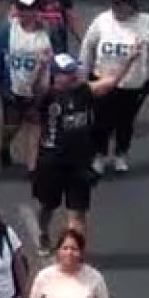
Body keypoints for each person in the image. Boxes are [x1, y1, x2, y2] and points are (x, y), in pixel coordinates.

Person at [31, 54, 121, 249]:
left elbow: (111, 82)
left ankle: (75, 250)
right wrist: (41, 67)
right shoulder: (48, 96)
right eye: (68, 72)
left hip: (79, 163)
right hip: (52, 162)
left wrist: (130, 59)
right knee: (48, 206)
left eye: (73, 71)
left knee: (77, 212)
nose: (73, 75)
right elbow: (35, 90)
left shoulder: (83, 91)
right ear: (57, 75)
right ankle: (43, 232)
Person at [79, 0, 149, 175]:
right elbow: (88, 46)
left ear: (132, 5)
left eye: (123, 4)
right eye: (115, 3)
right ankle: (100, 155)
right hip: (103, 79)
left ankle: (120, 154)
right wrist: (82, 73)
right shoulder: (102, 21)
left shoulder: (144, 23)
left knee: (125, 122)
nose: (118, 7)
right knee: (101, 120)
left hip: (132, 83)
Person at [0, 0, 53, 170]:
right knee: (11, 126)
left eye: (31, 9)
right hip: (12, 89)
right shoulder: (9, 31)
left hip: (37, 88)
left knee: (35, 125)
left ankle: (33, 168)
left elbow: (55, 57)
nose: (27, 13)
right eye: (23, 9)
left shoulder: (45, 35)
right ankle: (4, 146)